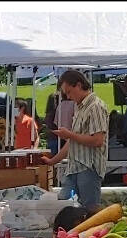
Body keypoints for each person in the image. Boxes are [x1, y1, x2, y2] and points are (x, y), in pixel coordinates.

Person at [41, 70, 108, 214]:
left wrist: (69, 134)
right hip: (74, 167)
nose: (69, 97)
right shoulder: (79, 107)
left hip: (89, 167)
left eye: (69, 92)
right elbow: (73, 141)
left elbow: (97, 140)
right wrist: (53, 161)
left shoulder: (96, 106)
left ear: (79, 85)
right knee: (63, 206)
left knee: (90, 211)